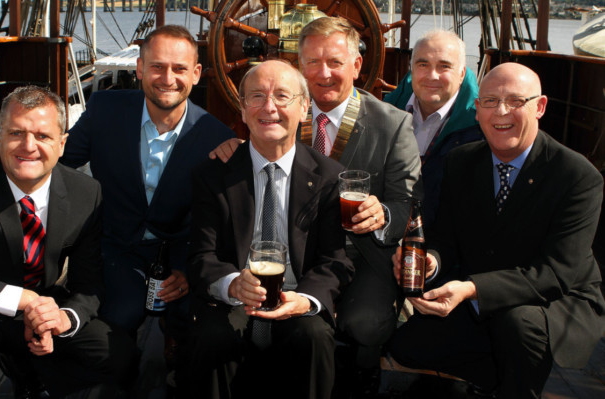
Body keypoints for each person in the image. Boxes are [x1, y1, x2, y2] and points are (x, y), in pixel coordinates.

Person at [209, 17, 422, 393]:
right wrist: (236, 150)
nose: (323, 73)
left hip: (361, 254)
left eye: (335, 62)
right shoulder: (285, 111)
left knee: (366, 322)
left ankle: (360, 379)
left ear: (357, 66)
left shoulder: (394, 125)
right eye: (312, 63)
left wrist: (383, 214)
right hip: (296, 250)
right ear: (299, 66)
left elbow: (407, 204)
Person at [389, 63, 605, 398]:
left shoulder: (577, 176)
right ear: (477, 111)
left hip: (555, 301)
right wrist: (430, 260)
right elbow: (445, 238)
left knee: (516, 327)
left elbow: (556, 273)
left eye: (516, 101)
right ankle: (499, 378)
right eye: (489, 101)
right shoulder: (461, 162)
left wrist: (473, 288)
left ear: (540, 107)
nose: (500, 112)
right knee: (407, 346)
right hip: (479, 291)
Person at [0, 85, 135, 399]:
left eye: (42, 136)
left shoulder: (86, 192)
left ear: (62, 144)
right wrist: (22, 299)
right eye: (17, 132)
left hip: (43, 306)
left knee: (118, 353)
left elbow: (89, 284)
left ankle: (31, 380)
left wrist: (61, 319)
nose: (28, 146)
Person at [181, 59, 354, 399]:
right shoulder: (213, 174)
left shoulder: (330, 177)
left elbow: (336, 260)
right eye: (256, 96)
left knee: (314, 337)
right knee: (212, 338)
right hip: (233, 302)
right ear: (243, 111)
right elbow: (201, 255)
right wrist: (232, 284)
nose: (269, 107)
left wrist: (304, 300)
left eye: (282, 96)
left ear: (304, 108)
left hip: (296, 296)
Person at [61, 25, 235, 340]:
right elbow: (57, 161)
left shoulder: (217, 137)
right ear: (140, 68)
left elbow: (218, 218)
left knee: (197, 322)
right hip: (116, 245)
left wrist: (187, 270)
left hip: (181, 250)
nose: (168, 79)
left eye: (179, 69)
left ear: (196, 73)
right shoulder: (104, 111)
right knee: (118, 318)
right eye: (157, 67)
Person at [384, 29, 483, 227]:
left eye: (444, 66)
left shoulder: (480, 127)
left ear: (462, 73)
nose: (432, 75)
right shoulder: (383, 115)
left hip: (446, 247)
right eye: (423, 64)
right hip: (386, 237)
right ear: (411, 67)